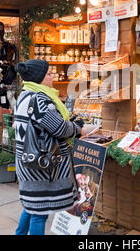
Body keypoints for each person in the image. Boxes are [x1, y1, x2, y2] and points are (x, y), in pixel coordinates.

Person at [13, 59, 87, 235]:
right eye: (48, 73)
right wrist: (80, 130)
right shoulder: (39, 99)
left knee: (32, 206)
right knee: (40, 212)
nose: (52, 75)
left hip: (28, 161)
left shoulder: (25, 94)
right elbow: (60, 128)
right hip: (42, 165)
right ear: (39, 77)